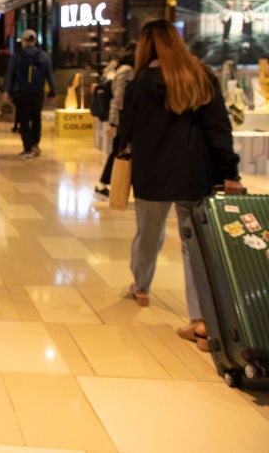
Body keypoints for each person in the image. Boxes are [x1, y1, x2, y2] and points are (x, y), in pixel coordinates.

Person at [116, 20, 242, 351]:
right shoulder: (202, 78)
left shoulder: (140, 84)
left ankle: (141, 287)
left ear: (146, 47)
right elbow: (219, 130)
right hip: (194, 176)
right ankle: (200, 320)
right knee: (194, 246)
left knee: (148, 234)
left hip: (152, 174)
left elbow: (124, 134)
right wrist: (230, 171)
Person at [3, 29, 56, 158]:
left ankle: (27, 148)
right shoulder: (44, 56)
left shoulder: (17, 55)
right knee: (36, 118)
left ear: (24, 41)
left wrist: (7, 91)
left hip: (21, 92)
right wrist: (53, 91)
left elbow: (10, 74)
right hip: (37, 92)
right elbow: (50, 74)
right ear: (35, 41)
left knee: (24, 119)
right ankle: (35, 145)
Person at [94, 46, 134, 199]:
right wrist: (113, 122)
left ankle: (105, 185)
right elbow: (118, 98)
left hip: (123, 118)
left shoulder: (122, 70)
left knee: (118, 151)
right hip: (123, 119)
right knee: (118, 152)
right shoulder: (127, 71)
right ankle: (104, 184)